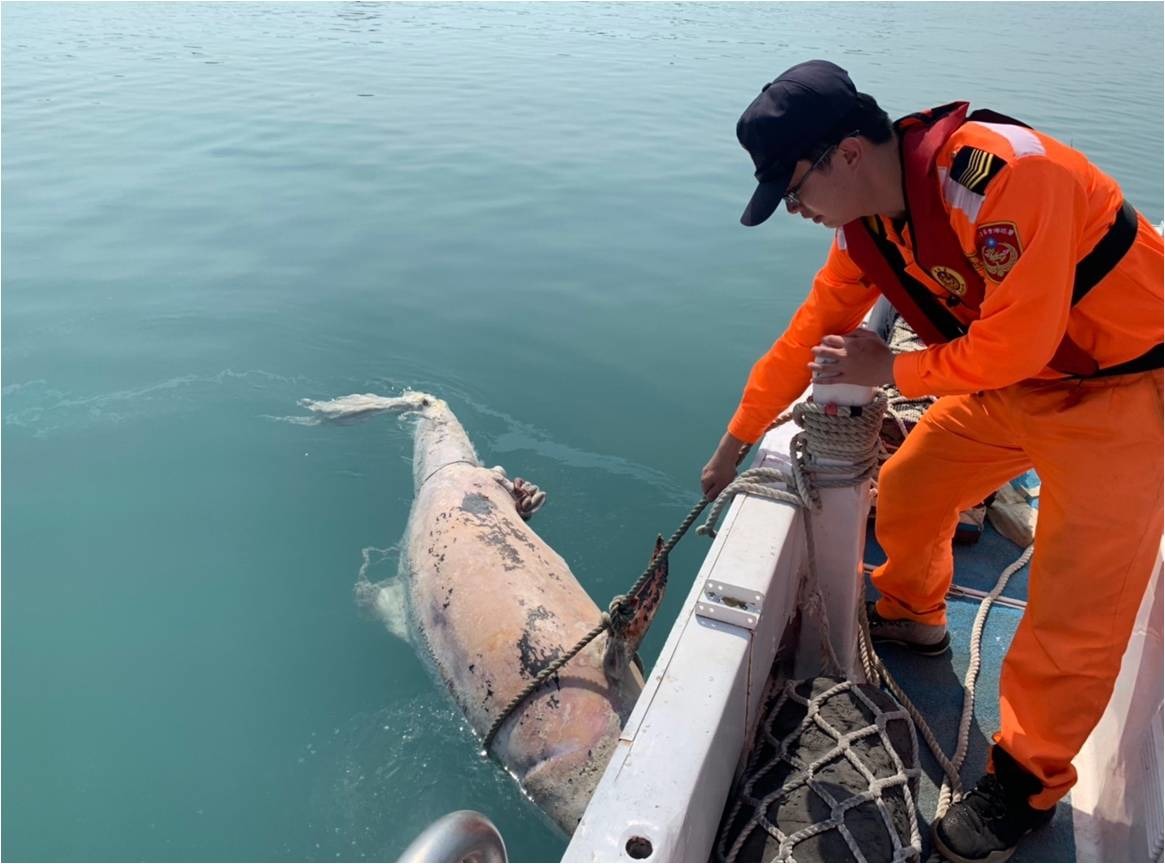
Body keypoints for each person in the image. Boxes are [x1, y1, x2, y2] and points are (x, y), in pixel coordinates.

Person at [700, 59, 1163, 863]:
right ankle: (914, 615)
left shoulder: (1003, 177)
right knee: (911, 489)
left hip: (1121, 394)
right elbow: (811, 331)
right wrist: (734, 441)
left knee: (1074, 606)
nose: (795, 210)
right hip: (1016, 389)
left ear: (847, 153)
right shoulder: (871, 231)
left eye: (794, 189)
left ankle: (1024, 785)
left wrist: (890, 369)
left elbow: (1017, 341)